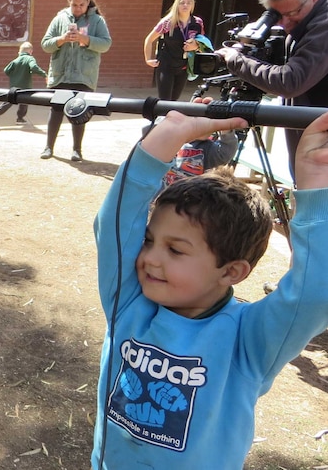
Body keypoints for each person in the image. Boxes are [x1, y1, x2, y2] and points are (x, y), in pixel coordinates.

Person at [91, 108, 328, 469]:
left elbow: (316, 290)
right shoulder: (128, 301)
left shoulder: (249, 339)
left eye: (175, 250)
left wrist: (314, 180)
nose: (150, 259)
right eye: (149, 240)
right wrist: (162, 141)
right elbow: (114, 225)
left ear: (232, 271)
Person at [216, 0, 328, 182]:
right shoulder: (306, 23)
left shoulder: (323, 27)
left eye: (292, 13)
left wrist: (236, 60)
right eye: (277, 14)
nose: (284, 23)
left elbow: (289, 81)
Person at [40, 0, 112, 161]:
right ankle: (49, 147)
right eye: (74, 5)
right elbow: (45, 44)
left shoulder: (97, 21)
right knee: (56, 110)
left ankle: (77, 150)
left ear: (88, 3)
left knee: (79, 112)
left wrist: (85, 39)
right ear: (69, 3)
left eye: (81, 4)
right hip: (61, 73)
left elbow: (106, 44)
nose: (78, 8)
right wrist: (62, 39)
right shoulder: (60, 19)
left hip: (84, 75)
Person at [144, 0, 205, 101]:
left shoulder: (197, 22)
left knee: (173, 102)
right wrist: (148, 59)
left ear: (192, 5)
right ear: (177, 5)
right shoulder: (167, 22)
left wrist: (195, 47)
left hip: (183, 67)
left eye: (188, 3)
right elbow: (149, 39)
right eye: (182, 3)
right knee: (165, 102)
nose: (185, 5)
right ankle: (160, 118)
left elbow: (203, 43)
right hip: (166, 66)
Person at [0, 41, 47, 126]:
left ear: (20, 52)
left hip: (14, 86)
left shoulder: (16, 60)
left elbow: (6, 70)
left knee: (9, 101)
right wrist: (44, 74)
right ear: (30, 51)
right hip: (25, 86)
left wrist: (14, 76)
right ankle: (20, 118)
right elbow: (33, 67)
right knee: (25, 102)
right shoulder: (30, 58)